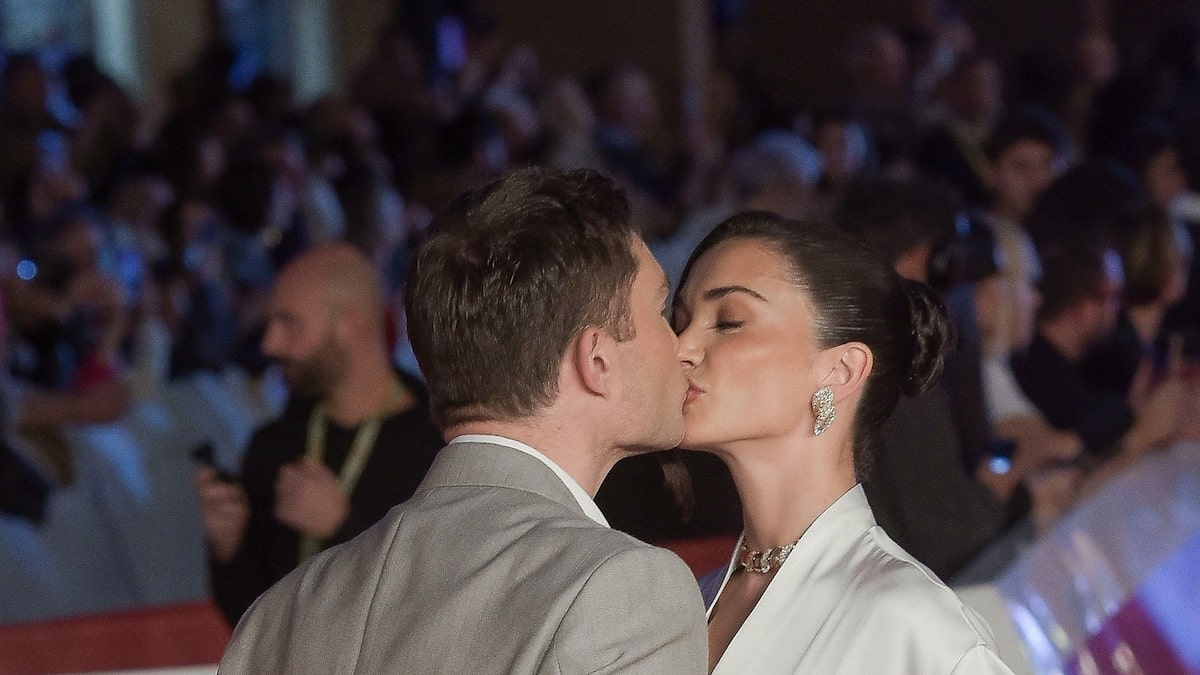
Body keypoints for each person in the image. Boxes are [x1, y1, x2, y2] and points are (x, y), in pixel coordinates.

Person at [219, 167, 708, 673]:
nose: (683, 348)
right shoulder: (620, 592)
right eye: (661, 311)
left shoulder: (274, 617)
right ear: (597, 361)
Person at [674, 212, 1013, 673]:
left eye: (729, 321)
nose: (682, 348)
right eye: (681, 322)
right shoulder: (697, 599)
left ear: (842, 370)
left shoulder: (915, 628)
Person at [194, 243, 442, 626]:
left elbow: (441, 602)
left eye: (290, 323)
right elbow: (251, 622)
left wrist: (343, 528)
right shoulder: (274, 446)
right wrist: (230, 549)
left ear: (352, 324)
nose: (270, 343)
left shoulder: (438, 446)